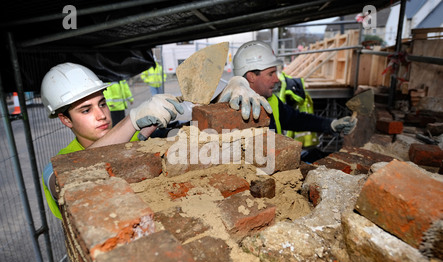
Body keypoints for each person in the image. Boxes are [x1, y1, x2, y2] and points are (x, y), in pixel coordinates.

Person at [41, 62, 184, 219]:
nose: (101, 115)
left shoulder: (131, 138)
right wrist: (132, 120)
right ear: (66, 120)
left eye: (102, 104)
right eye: (86, 110)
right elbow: (65, 183)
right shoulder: (55, 166)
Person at [217, 40, 357, 147]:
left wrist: (331, 124)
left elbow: (297, 119)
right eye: (271, 73)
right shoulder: (231, 107)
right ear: (252, 76)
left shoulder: (271, 100)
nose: (277, 79)